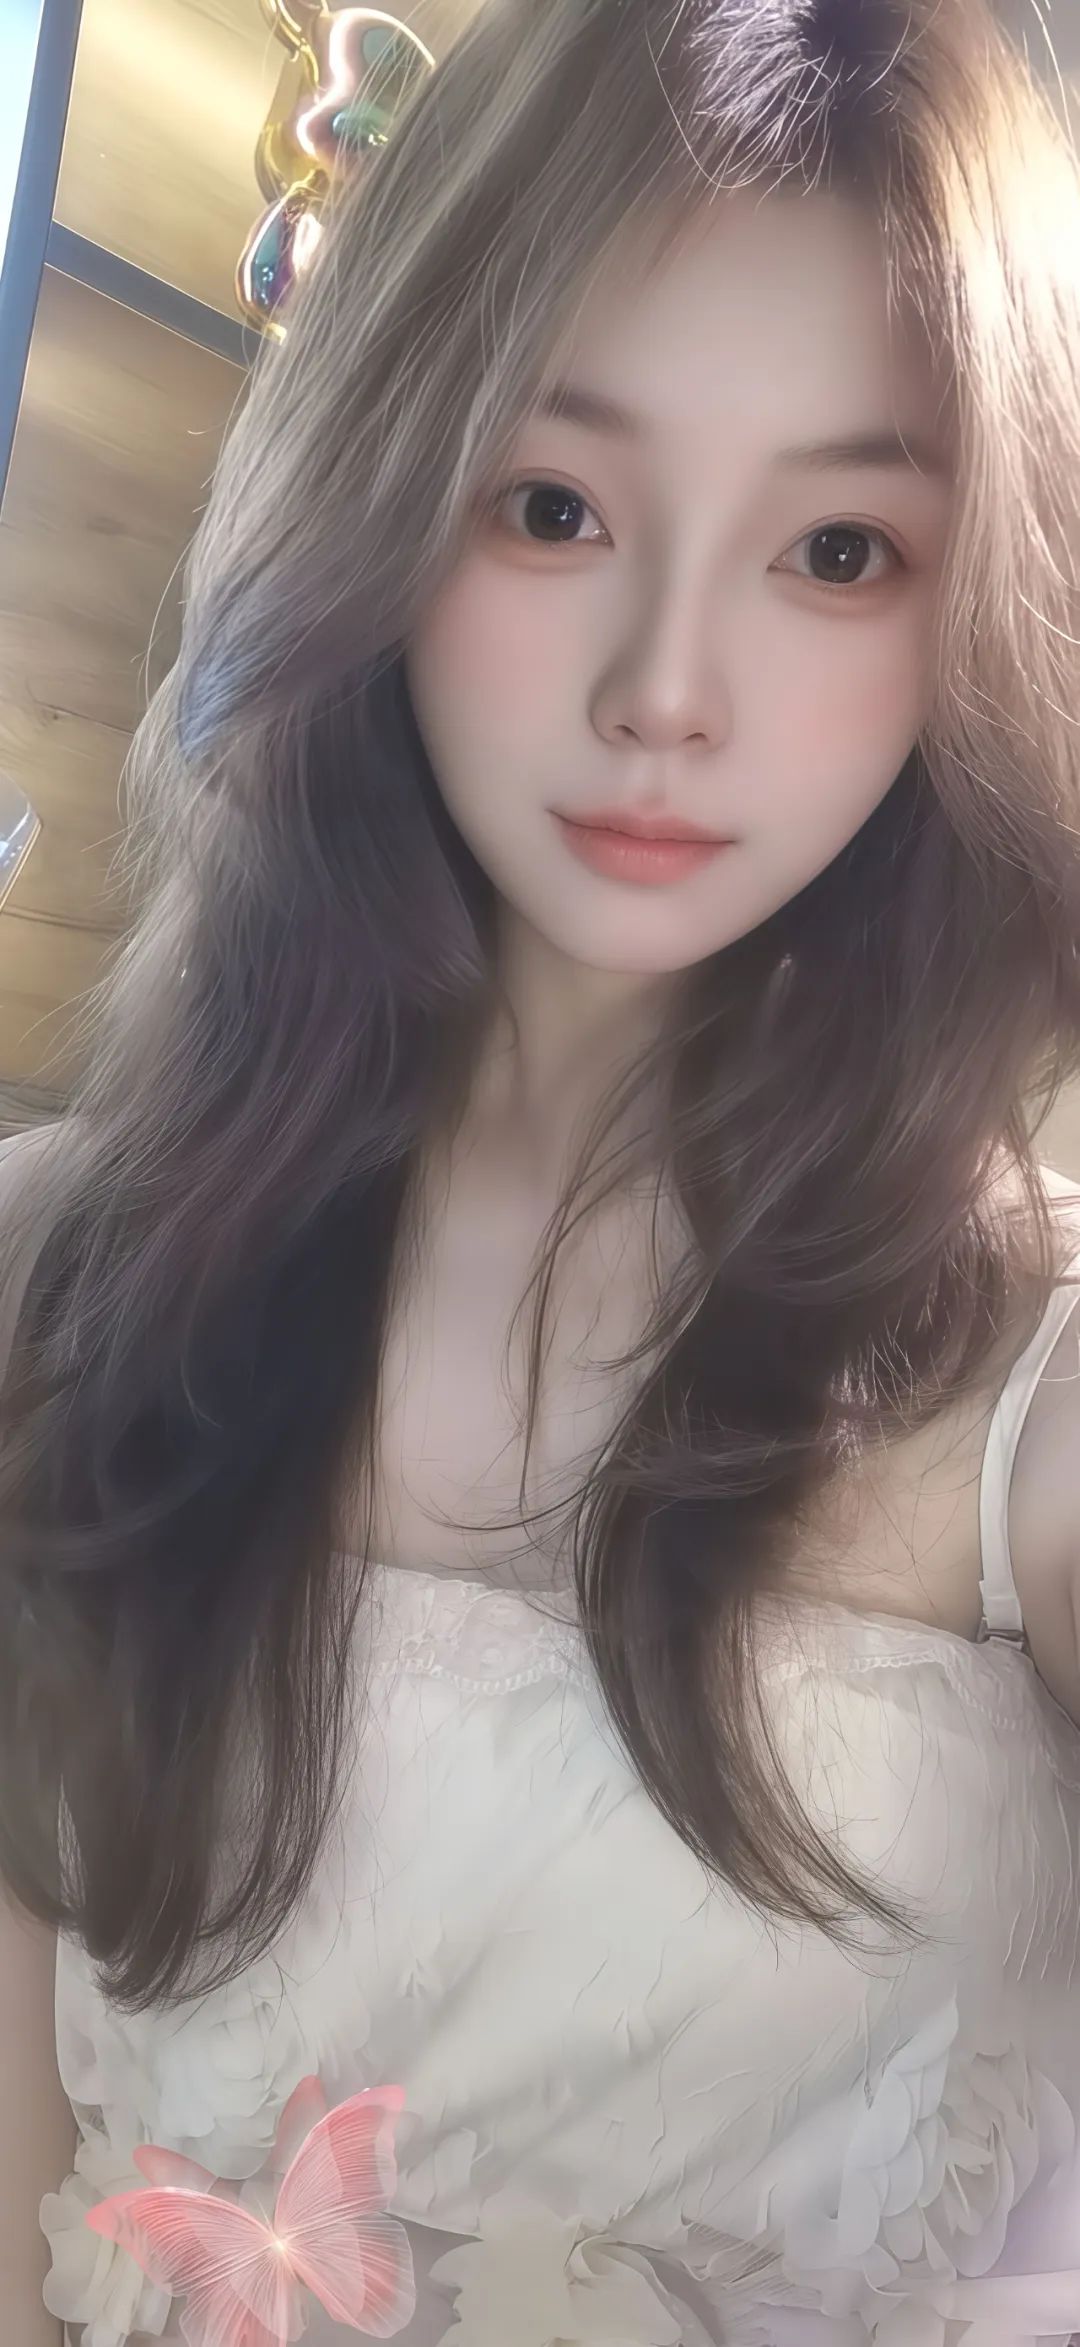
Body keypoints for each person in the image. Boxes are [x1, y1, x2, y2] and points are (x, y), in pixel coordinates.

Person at [3, 0, 1080, 2338]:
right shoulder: (57, 1271)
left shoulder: (1034, 1403)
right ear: (389, 492)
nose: (665, 689)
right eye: (555, 506)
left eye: (837, 548)